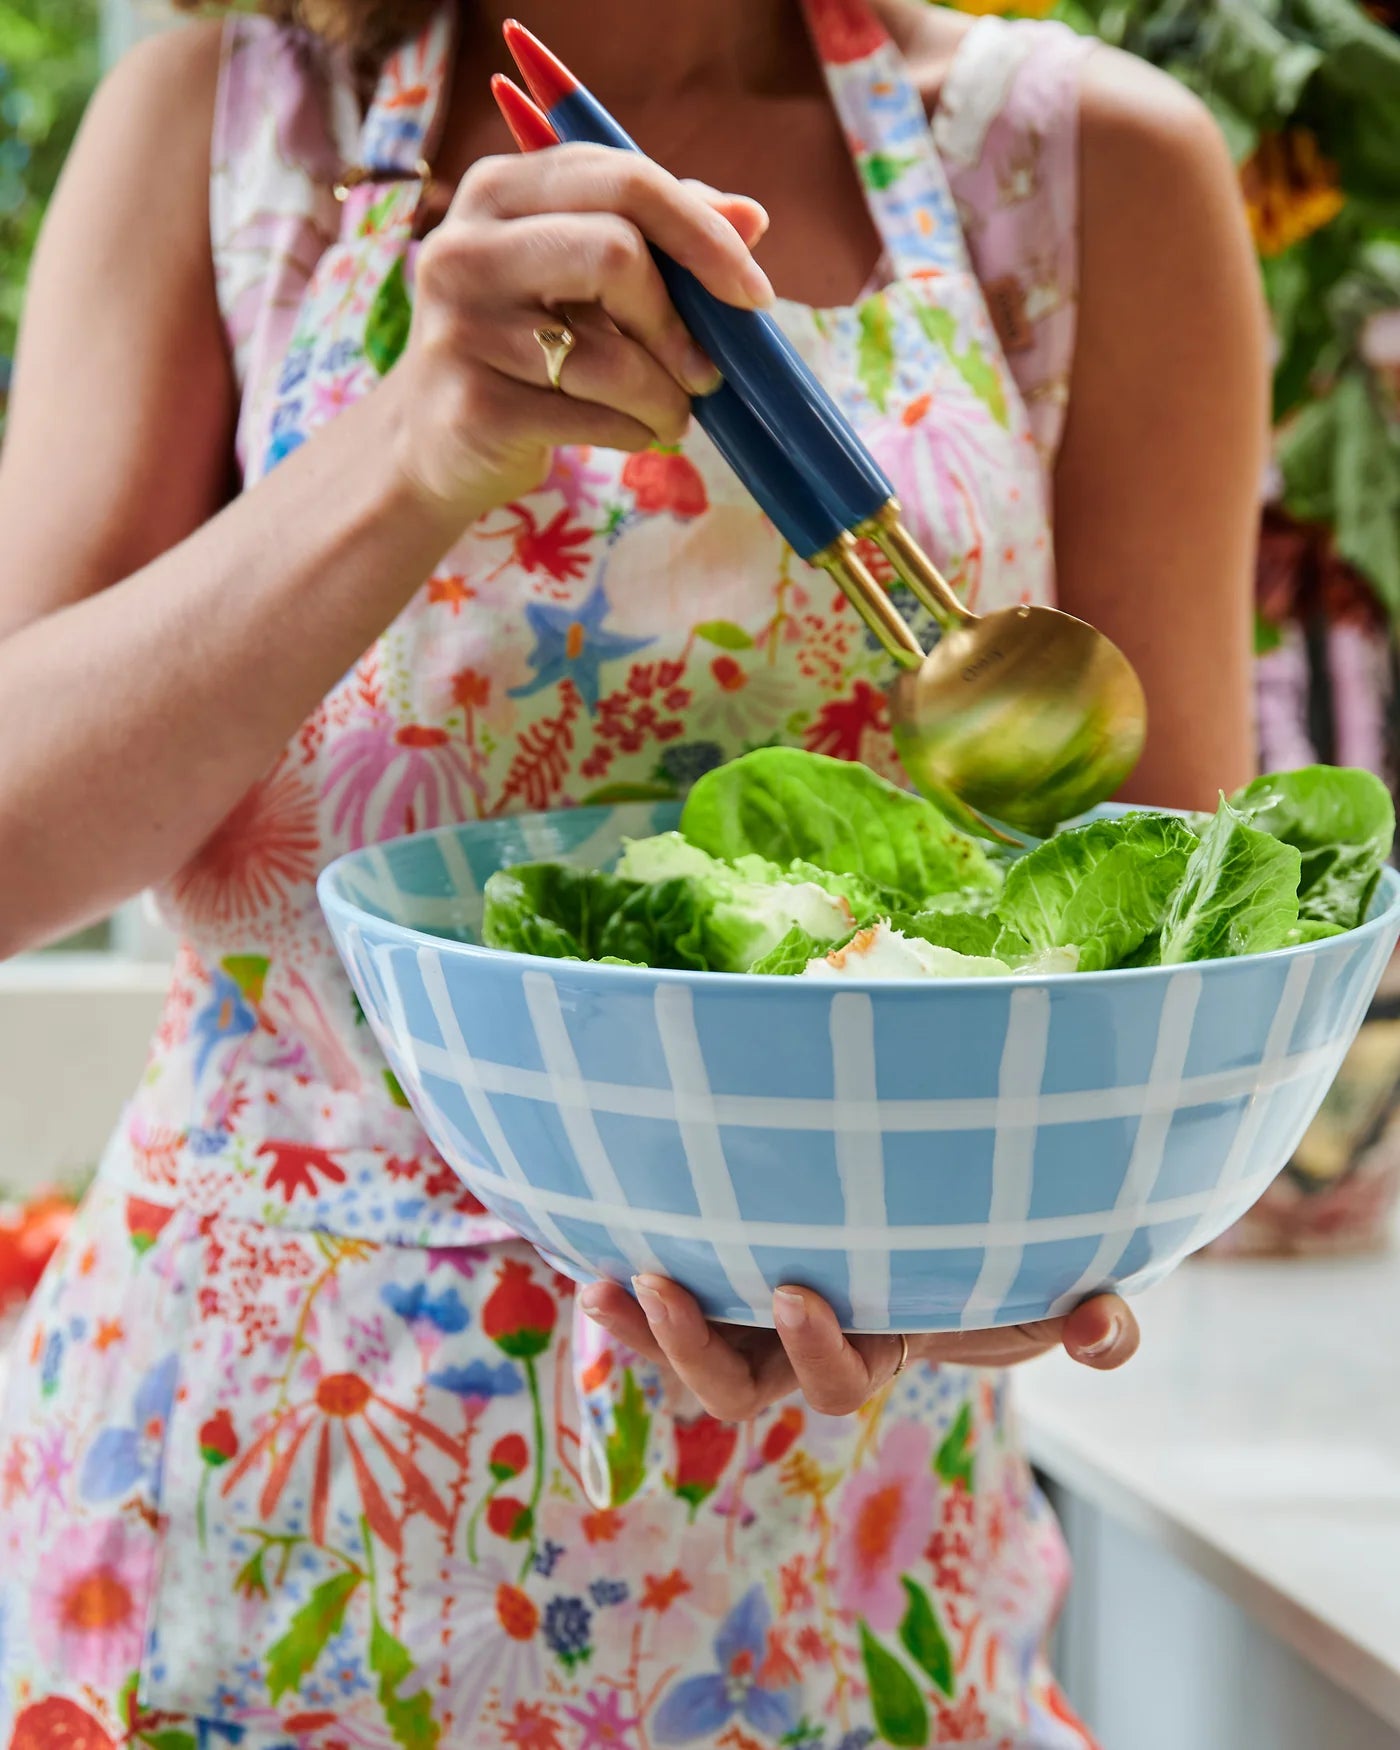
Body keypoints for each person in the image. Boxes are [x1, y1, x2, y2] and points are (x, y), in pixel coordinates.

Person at [0, 0, 1265, 1742]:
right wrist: (416, 444)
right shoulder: (232, 134)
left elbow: (1179, 971)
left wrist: (997, 1250)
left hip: (837, 1575)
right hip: (244, 1530)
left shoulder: (1080, 173)